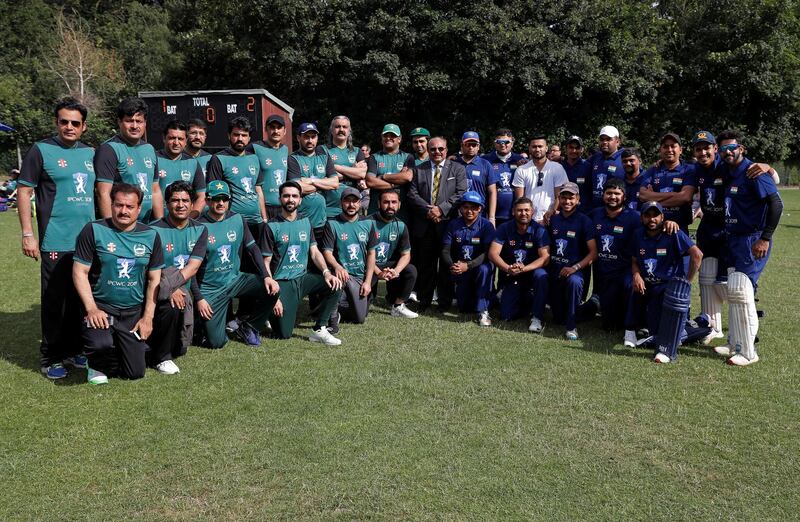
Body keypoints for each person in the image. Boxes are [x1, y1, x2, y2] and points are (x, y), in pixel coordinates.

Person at [18, 97, 96, 379]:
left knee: (80, 300)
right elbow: (24, 192)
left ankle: (76, 351)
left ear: (84, 126)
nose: (69, 127)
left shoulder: (90, 153)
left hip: (87, 243)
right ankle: (51, 357)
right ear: (56, 122)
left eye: (75, 123)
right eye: (64, 121)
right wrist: (28, 234)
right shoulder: (41, 150)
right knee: (55, 303)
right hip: (55, 240)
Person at [72, 184, 164, 384]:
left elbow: (154, 279)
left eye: (129, 206)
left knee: (135, 373)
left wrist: (147, 317)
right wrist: (92, 309)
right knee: (100, 345)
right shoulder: (93, 230)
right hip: (102, 308)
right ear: (111, 205)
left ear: (139, 209)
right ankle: (95, 362)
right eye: (118, 205)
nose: (123, 211)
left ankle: (117, 348)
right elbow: (80, 272)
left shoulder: (151, 235)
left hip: (132, 312)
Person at [713, 130, 783, 366]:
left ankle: (749, 352)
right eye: (723, 149)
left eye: (732, 148)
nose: (728, 152)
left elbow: (776, 203)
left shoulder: (754, 171)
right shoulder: (726, 170)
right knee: (733, 290)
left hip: (752, 239)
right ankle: (735, 343)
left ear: (741, 148)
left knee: (742, 291)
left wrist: (765, 238)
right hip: (732, 239)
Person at [195, 181, 278, 349]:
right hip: (211, 289)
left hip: (235, 280)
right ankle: (200, 326)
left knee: (272, 289)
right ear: (207, 200)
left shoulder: (237, 219)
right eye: (216, 199)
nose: (220, 203)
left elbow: (252, 248)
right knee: (216, 343)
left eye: (224, 199)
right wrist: (199, 298)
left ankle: (249, 327)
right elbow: (191, 269)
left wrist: (267, 276)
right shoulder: (197, 227)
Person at [263, 181, 344, 344]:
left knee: (336, 284)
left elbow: (314, 252)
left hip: (302, 278)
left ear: (300, 200)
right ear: (280, 199)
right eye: (286, 196)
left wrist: (326, 272)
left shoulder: (306, 222)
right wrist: (273, 297)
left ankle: (319, 329)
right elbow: (266, 262)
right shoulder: (271, 226)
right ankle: (265, 311)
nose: (290, 199)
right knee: (283, 334)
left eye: (294, 196)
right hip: (282, 283)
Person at [626, 202, 702, 363]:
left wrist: (686, 283)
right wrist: (636, 275)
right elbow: (634, 261)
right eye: (647, 215)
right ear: (642, 218)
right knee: (656, 333)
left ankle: (696, 329)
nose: (651, 219)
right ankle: (696, 328)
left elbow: (697, 255)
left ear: (663, 217)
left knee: (662, 334)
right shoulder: (638, 234)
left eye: (655, 215)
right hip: (650, 287)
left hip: (669, 288)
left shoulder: (672, 231)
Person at [148, 182, 208, 374]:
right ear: (166, 203)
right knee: (171, 303)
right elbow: (150, 269)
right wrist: (170, 289)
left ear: (192, 205)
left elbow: (192, 268)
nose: (180, 205)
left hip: (182, 289)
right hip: (155, 289)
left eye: (185, 201)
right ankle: (162, 358)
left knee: (180, 349)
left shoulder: (200, 229)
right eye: (175, 200)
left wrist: (174, 287)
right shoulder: (152, 230)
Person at [407, 136, 468, 311]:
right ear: (429, 150)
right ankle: (424, 301)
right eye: (433, 149)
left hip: (448, 224)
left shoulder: (457, 169)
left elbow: (461, 192)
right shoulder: (419, 169)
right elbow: (412, 195)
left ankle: (444, 302)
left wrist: (440, 209)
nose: (437, 152)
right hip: (425, 224)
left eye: (440, 149)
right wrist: (430, 211)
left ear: (446, 150)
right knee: (426, 265)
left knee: (447, 263)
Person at [94, 97, 163, 222]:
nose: (135, 126)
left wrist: (161, 224)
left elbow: (155, 190)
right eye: (129, 121)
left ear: (145, 123)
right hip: (120, 227)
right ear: (119, 122)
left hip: (146, 225)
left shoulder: (149, 149)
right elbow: (102, 193)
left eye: (139, 121)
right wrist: (110, 229)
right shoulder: (108, 149)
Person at [488, 197, 550, 331]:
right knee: (506, 315)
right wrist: (507, 268)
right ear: (513, 212)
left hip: (531, 275)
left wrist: (525, 268)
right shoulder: (504, 228)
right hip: (512, 276)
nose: (523, 213)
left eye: (527, 210)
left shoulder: (539, 230)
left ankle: (537, 317)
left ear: (532, 212)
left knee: (541, 275)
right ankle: (527, 300)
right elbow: (493, 253)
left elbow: (545, 257)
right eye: (519, 210)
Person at [589, 178, 642, 334]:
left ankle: (636, 323)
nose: (612, 197)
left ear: (624, 196)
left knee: (629, 290)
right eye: (609, 193)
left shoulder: (634, 217)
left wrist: (668, 223)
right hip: (604, 275)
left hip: (625, 272)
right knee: (609, 325)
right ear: (603, 195)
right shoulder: (595, 214)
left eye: (617, 193)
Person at [546, 183, 597, 340]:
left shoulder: (584, 221)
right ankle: (592, 306)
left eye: (571, 198)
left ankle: (572, 326)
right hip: (555, 272)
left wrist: (575, 267)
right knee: (557, 318)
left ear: (578, 199)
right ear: (559, 198)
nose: (567, 201)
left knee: (574, 282)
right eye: (564, 197)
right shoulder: (552, 219)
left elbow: (594, 253)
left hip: (575, 273)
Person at [321, 187, 376, 329]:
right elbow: (327, 252)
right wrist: (338, 267)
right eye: (347, 201)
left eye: (355, 201)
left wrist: (368, 282)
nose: (351, 205)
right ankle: (332, 319)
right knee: (336, 280)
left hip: (359, 277)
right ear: (341, 203)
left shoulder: (369, 223)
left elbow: (371, 254)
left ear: (360, 203)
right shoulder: (332, 223)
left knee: (359, 318)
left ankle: (337, 309)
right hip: (341, 275)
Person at [441, 191, 495, 326]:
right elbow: (445, 250)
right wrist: (452, 266)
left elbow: (487, 253)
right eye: (466, 207)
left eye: (474, 207)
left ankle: (483, 311)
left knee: (484, 269)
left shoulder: (487, 225)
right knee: (464, 307)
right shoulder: (453, 224)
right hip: (461, 268)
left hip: (479, 266)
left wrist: (469, 265)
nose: (469, 211)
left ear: (480, 209)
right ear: (460, 208)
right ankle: (489, 299)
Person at [206, 116, 267, 235]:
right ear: (229, 135)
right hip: (233, 221)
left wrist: (264, 218)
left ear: (249, 138)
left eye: (244, 135)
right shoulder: (218, 159)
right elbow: (214, 193)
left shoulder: (254, 158)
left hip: (256, 221)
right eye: (236, 135)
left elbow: (258, 189)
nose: (240, 139)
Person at [365, 190, 419, 317]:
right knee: (362, 312)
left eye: (394, 202)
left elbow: (406, 255)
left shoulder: (401, 226)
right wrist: (378, 273)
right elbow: (363, 255)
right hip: (368, 267)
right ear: (378, 204)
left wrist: (396, 271)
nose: (390, 206)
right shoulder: (367, 223)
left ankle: (398, 305)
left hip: (387, 266)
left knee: (410, 270)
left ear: (399, 204)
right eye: (386, 202)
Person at [286, 122, 337, 243]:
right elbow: (297, 188)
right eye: (306, 137)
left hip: (322, 221)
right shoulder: (293, 158)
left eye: (313, 137)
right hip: (302, 219)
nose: (310, 140)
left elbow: (335, 183)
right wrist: (324, 184)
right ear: (298, 138)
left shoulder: (324, 157)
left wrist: (311, 181)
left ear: (317, 138)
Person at [638, 133, 697, 233]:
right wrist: (674, 195)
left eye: (673, 146)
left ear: (680, 150)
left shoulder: (689, 170)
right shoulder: (652, 170)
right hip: (655, 229)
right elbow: (643, 195)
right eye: (665, 146)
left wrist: (654, 201)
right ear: (660, 150)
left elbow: (685, 197)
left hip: (679, 228)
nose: (669, 150)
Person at [512, 135, 568, 224]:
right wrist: (527, 217)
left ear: (546, 148)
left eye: (540, 146)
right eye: (534, 147)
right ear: (529, 148)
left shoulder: (557, 168)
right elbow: (520, 200)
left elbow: (559, 195)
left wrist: (551, 212)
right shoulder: (521, 170)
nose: (537, 149)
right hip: (528, 220)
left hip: (551, 219)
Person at [155, 120, 206, 218]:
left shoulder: (193, 162)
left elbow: (202, 195)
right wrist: (160, 223)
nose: (176, 143)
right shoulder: (154, 160)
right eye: (172, 138)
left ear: (186, 141)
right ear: (164, 139)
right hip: (159, 221)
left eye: (180, 139)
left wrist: (191, 217)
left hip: (184, 223)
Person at [365, 123, 415, 220]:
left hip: (401, 211)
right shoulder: (374, 157)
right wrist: (397, 182)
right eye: (385, 136)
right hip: (376, 209)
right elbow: (370, 181)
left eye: (392, 136)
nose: (388, 138)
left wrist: (382, 177)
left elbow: (408, 177)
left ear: (399, 139)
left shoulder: (408, 157)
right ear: (381, 138)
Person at [322, 116, 367, 218]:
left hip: (353, 206)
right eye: (337, 126)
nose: (341, 129)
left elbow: (362, 173)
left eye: (345, 127)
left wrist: (334, 167)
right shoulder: (322, 150)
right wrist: (353, 170)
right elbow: (322, 176)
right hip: (330, 208)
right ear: (331, 130)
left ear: (349, 131)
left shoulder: (357, 151)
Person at [481, 128, 526, 227]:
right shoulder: (485, 160)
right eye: (499, 142)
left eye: (506, 142)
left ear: (512, 143)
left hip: (515, 215)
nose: (503, 144)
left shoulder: (520, 160)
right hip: (491, 215)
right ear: (494, 143)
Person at [249, 114, 289, 219]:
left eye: (279, 128)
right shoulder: (254, 147)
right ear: (266, 129)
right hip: (262, 207)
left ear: (284, 131)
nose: (276, 131)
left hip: (283, 207)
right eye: (272, 127)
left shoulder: (285, 149)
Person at [454, 131, 496, 220]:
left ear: (478, 147)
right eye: (467, 144)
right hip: (457, 213)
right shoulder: (453, 164)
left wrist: (492, 217)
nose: (471, 147)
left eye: (474, 145)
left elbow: (492, 192)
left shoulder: (485, 164)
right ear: (462, 146)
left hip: (479, 213)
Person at [587, 125, 625, 209]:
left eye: (608, 139)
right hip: (596, 211)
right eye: (602, 139)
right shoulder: (595, 158)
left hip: (616, 211)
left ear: (618, 141)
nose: (604, 142)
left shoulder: (625, 158)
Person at [560, 135, 592, 213]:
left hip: (582, 212)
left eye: (577, 148)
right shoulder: (559, 166)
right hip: (562, 212)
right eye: (571, 147)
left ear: (582, 149)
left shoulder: (588, 166)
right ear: (566, 149)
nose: (574, 151)